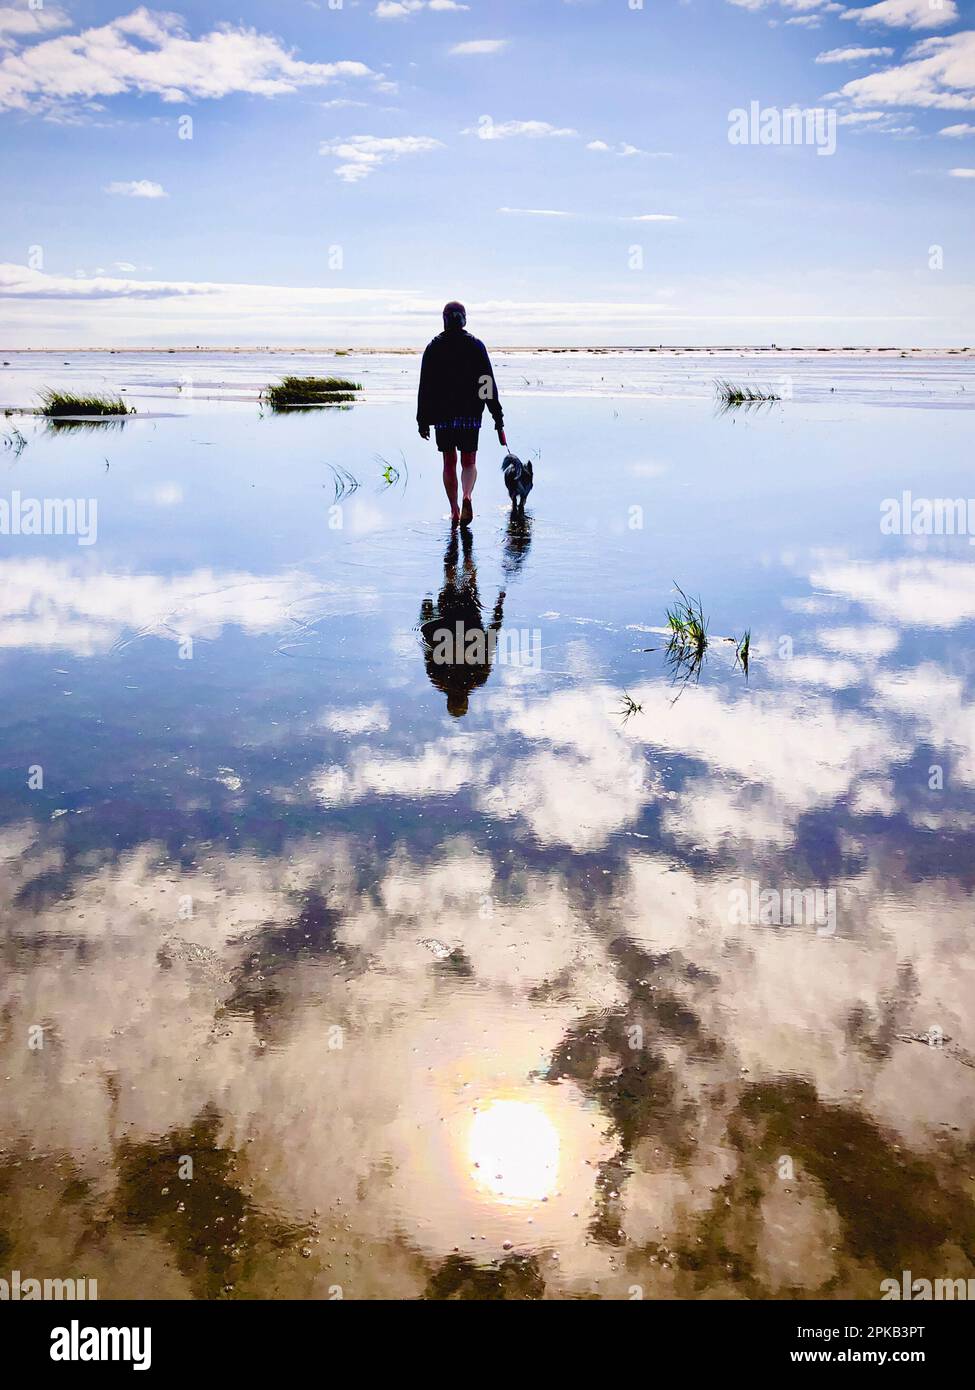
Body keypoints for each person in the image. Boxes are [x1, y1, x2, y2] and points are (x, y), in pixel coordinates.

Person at [417, 301, 506, 527]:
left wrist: (423, 420)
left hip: (443, 414)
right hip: (470, 412)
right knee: (469, 460)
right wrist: (497, 415)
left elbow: (425, 386)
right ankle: (467, 495)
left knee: (449, 462)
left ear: (445, 320)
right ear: (464, 319)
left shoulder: (433, 347)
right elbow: (486, 382)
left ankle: (455, 511)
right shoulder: (476, 346)